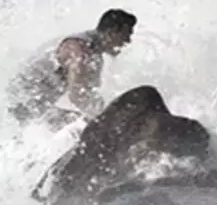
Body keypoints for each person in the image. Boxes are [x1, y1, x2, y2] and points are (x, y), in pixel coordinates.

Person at [8, 8, 136, 126]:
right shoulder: (79, 51)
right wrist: (107, 120)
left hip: (36, 106)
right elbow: (77, 96)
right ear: (111, 33)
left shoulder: (95, 55)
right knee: (79, 124)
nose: (128, 41)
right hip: (19, 104)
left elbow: (89, 95)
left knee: (80, 123)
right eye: (126, 35)